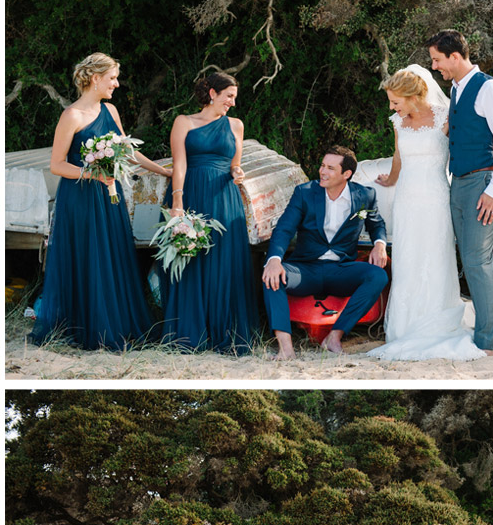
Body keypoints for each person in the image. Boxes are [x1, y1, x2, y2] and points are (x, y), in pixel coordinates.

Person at [31, 49, 167, 352]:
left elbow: (128, 151)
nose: (116, 84)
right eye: (113, 78)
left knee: (112, 256)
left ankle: (115, 321)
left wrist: (163, 170)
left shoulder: (112, 111)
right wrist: (93, 174)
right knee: (88, 256)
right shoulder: (72, 116)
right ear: (95, 79)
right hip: (80, 198)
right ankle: (87, 326)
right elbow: (57, 165)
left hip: (109, 199)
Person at [373, 67, 478, 362]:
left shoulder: (446, 116)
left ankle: (437, 318)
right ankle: (406, 325)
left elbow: (463, 150)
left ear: (413, 95)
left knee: (435, 256)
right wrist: (391, 180)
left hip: (435, 198)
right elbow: (398, 155)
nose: (392, 108)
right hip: (406, 199)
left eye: (396, 101)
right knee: (408, 258)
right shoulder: (398, 121)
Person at [428, 35, 493, 354]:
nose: (434, 66)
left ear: (455, 56)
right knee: (472, 261)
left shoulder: (489, 89)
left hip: (483, 183)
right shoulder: (456, 89)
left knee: (478, 262)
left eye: (437, 60)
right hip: (460, 183)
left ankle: (489, 342)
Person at [162, 66, 258, 355]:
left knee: (224, 262)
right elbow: (179, 164)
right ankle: (191, 333)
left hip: (224, 197)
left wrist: (238, 173)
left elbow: (234, 164)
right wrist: (177, 204)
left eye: (235, 97)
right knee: (190, 260)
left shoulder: (236, 125)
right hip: (191, 193)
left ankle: (223, 332)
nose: (233, 102)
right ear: (212, 93)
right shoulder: (184, 122)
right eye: (229, 96)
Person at [263, 147, 388, 358]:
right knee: (272, 275)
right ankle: (286, 348)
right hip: (305, 269)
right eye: (322, 165)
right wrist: (274, 260)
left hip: (340, 270)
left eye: (330, 168)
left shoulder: (364, 196)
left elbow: (376, 224)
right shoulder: (305, 193)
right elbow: (284, 228)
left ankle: (334, 336)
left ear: (346, 174)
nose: (322, 171)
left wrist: (379, 244)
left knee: (377, 276)